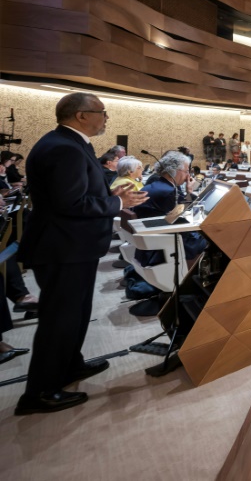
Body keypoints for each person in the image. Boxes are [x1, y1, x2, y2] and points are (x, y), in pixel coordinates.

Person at [16, 93, 149, 415]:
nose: (106, 118)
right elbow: (70, 203)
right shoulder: (64, 147)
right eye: (102, 112)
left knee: (74, 314)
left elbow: (75, 192)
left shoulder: (70, 144)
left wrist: (109, 194)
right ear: (81, 115)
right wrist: (118, 203)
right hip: (64, 248)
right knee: (59, 319)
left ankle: (69, 366)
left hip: (73, 246)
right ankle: (39, 392)